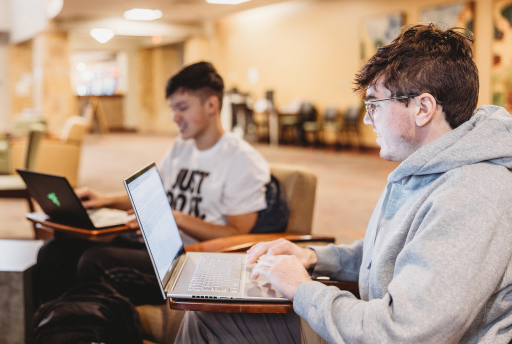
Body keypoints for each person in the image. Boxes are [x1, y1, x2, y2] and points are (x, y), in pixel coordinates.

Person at [175, 24, 512, 343]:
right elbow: (387, 256)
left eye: (374, 104)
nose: (367, 118)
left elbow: (404, 333)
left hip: (384, 333)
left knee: (208, 322)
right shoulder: (426, 169)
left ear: (422, 108)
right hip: (369, 322)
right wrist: (311, 257)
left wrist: (302, 289)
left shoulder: (472, 195)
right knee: (206, 315)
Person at [33, 61, 279, 307]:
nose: (175, 118)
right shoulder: (181, 148)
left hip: (193, 261)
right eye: (173, 109)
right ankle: (60, 327)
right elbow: (155, 197)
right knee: (54, 251)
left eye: (182, 108)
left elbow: (239, 234)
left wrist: (177, 218)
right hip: (157, 246)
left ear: (212, 104)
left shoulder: (241, 160)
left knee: (95, 260)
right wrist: (106, 199)